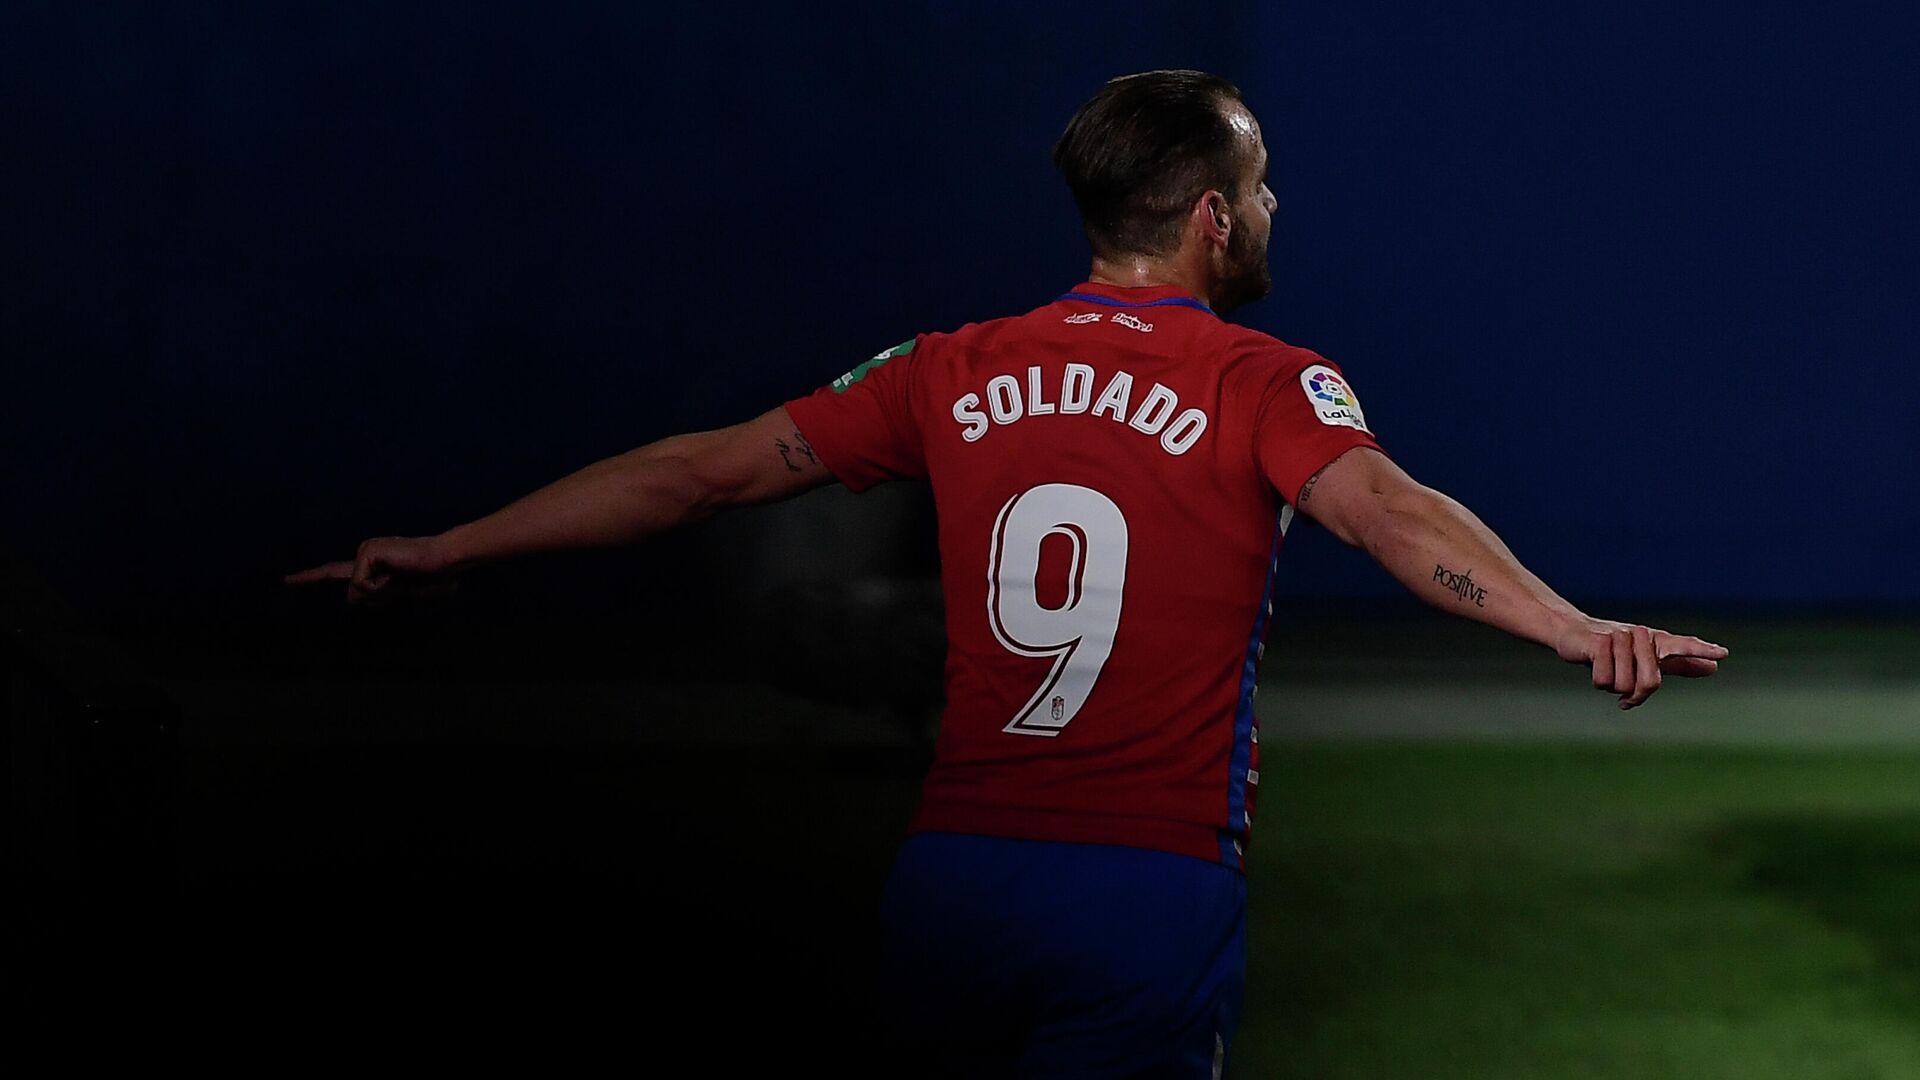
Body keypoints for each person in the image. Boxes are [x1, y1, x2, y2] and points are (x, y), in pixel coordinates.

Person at [287, 70, 1729, 1077]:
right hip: (1146, 893)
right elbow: (1390, 514)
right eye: (1262, 183)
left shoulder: (946, 366)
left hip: (952, 884)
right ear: (1213, 219)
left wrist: (449, 546)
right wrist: (1564, 622)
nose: (1276, 205)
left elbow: (696, 474)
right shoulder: (1267, 380)